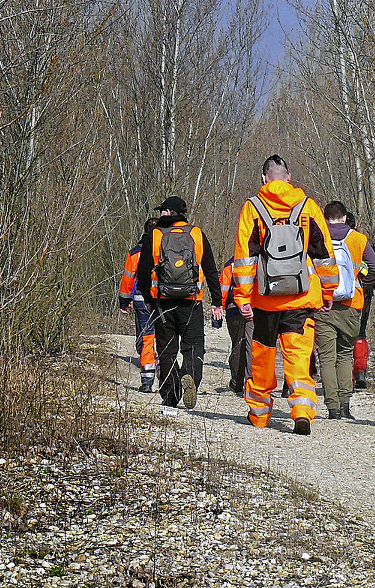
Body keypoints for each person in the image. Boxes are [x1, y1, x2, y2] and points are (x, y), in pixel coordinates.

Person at [232, 155, 338, 435]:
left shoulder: (252, 208)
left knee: (263, 357)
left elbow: (245, 257)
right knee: (298, 357)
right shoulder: (308, 207)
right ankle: (302, 412)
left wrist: (242, 298)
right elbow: (324, 253)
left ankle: (259, 415)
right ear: (288, 177)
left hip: (265, 299)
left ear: (264, 179)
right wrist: (328, 291)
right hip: (300, 298)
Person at [136, 196, 223, 409]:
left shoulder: (154, 235)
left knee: (166, 350)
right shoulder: (196, 234)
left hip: (162, 303)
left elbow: (143, 272)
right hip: (191, 302)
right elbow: (211, 270)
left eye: (163, 211)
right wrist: (217, 301)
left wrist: (148, 299)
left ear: (169, 213)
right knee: (194, 347)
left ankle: (171, 394)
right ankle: (190, 375)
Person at [314, 202, 375, 419]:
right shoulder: (358, 239)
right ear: (344, 218)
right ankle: (345, 405)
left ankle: (332, 407)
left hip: (323, 304)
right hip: (352, 304)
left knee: (326, 357)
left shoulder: (317, 237)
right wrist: (361, 283)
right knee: (345, 354)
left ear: (325, 218)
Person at [119, 217, 161, 392]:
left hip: (141, 299)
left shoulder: (135, 253)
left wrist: (124, 301)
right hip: (164, 298)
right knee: (164, 335)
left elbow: (128, 279)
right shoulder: (168, 249)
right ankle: (165, 374)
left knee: (146, 336)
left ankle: (147, 380)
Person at [346, 212, 375, 389]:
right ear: (355, 224)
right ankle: (360, 372)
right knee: (360, 333)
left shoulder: (329, 240)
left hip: (334, 295)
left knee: (339, 338)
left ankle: (340, 377)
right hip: (363, 295)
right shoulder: (364, 242)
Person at [220, 256, 252, 394]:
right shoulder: (259, 260)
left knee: (238, 344)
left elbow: (223, 288)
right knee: (252, 346)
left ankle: (236, 383)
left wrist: (219, 308)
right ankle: (251, 383)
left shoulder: (231, 264)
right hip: (255, 308)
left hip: (234, 310)